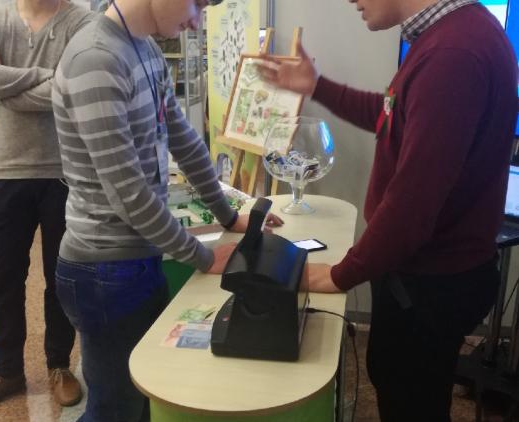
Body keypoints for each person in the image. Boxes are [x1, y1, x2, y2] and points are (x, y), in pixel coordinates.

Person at [259, 0, 517, 420]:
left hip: (430, 283)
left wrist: (340, 274)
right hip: (429, 275)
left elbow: (412, 205)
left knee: (409, 398)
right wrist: (316, 86)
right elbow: (391, 115)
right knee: (400, 381)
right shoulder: (451, 36)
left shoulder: (453, 54)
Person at [51, 0, 283, 420]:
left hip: (139, 259)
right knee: (115, 409)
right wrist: (203, 257)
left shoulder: (145, 47)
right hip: (103, 270)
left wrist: (229, 216)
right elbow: (128, 192)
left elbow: (184, 141)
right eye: (197, 4)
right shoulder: (95, 59)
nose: (196, 20)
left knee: (144, 400)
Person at [0, 0, 93, 410]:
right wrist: (47, 75)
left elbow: (74, 89)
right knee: (3, 278)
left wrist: (3, 83)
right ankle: (7, 371)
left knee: (61, 277)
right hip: (7, 172)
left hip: (64, 172)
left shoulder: (82, 21)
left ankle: (59, 364)